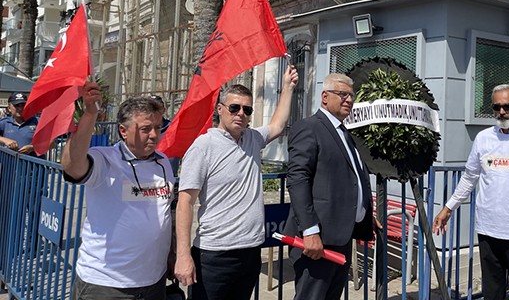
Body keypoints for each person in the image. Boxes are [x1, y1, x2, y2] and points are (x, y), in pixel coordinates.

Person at [174, 65, 298, 300]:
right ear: (220, 109)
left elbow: (278, 126)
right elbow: (185, 203)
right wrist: (183, 255)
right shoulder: (203, 147)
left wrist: (288, 87)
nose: (241, 113)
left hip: (250, 251)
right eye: (234, 108)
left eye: (247, 109)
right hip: (214, 255)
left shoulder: (252, 139)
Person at [432, 84, 509, 300]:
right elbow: (469, 177)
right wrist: (448, 208)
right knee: (492, 292)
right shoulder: (484, 138)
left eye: (508, 106)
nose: (502, 111)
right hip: (488, 230)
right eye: (497, 107)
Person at [61, 82, 174, 300]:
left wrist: (171, 254)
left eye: (158, 127)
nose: (153, 135)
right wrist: (90, 114)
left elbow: (166, 212)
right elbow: (73, 165)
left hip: (153, 282)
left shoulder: (163, 163)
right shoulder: (105, 160)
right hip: (107, 285)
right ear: (123, 130)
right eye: (145, 129)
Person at [283, 73, 376, 300]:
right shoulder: (309, 128)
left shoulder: (344, 133)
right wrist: (310, 230)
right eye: (342, 94)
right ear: (325, 97)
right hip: (318, 239)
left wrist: (363, 210)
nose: (349, 100)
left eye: (351, 96)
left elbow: (348, 178)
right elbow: (298, 179)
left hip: (341, 237)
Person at [0, 92, 40, 157]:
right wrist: (4, 140)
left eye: (23, 105)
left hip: (32, 165)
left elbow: (51, 143)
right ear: (9, 108)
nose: (20, 108)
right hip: (9, 165)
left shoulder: (37, 122)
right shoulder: (4, 123)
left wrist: (33, 148)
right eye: (17, 105)